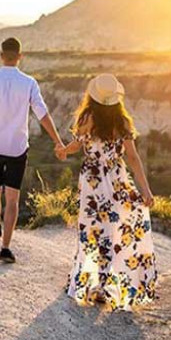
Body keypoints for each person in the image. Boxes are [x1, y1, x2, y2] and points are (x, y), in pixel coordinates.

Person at [56, 73, 157, 311]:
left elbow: (76, 145)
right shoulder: (122, 122)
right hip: (116, 177)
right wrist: (145, 190)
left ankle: (97, 284)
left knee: (92, 230)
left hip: (93, 181)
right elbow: (133, 157)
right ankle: (110, 285)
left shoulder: (87, 118)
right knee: (117, 230)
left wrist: (62, 151)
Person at [0, 37, 66, 263]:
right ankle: (5, 247)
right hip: (17, 147)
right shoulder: (29, 83)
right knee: (12, 199)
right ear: (20, 56)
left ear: (0, 55)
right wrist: (57, 140)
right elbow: (42, 114)